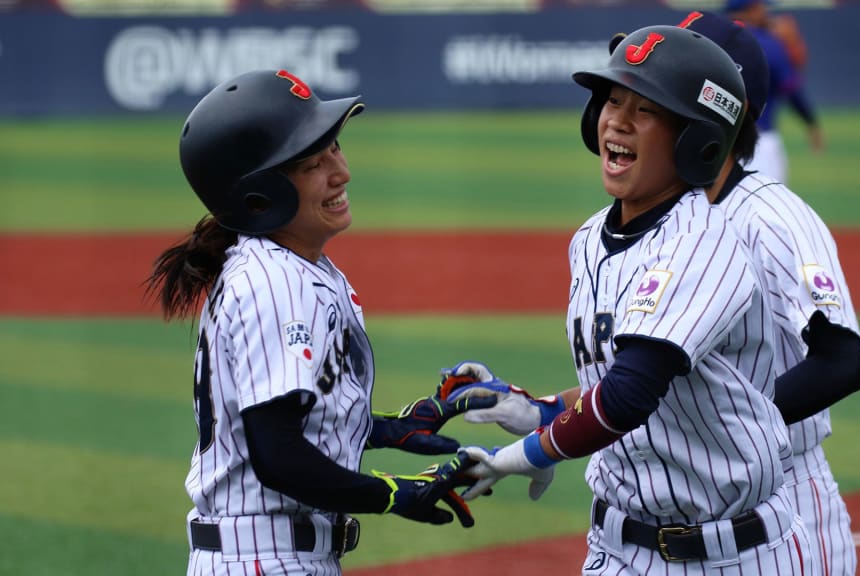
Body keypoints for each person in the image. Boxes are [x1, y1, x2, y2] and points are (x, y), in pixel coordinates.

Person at [444, 25, 811, 574]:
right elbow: (614, 384)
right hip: (617, 549)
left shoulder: (705, 245)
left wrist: (515, 459)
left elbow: (629, 395)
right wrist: (539, 410)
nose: (616, 119)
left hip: (734, 555)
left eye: (645, 109)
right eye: (612, 100)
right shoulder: (590, 239)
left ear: (695, 139)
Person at [146, 69, 494, 576]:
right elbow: (277, 454)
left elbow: (291, 422)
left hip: (266, 555)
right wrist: (394, 493)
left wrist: (393, 429)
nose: (341, 172)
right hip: (266, 558)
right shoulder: (274, 282)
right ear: (259, 195)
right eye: (313, 162)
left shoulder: (291, 267)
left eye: (334, 148)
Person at [679, 12, 860, 575]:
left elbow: (842, 360)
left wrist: (729, 428)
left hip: (787, 498)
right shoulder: (667, 219)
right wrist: (548, 416)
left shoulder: (772, 218)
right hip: (689, 511)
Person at [725, 0, 823, 184]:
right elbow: (791, 88)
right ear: (751, 10)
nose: (766, 13)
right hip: (758, 144)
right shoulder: (768, 44)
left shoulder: (712, 40)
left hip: (717, 144)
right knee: (767, 208)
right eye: (762, 7)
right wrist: (811, 123)